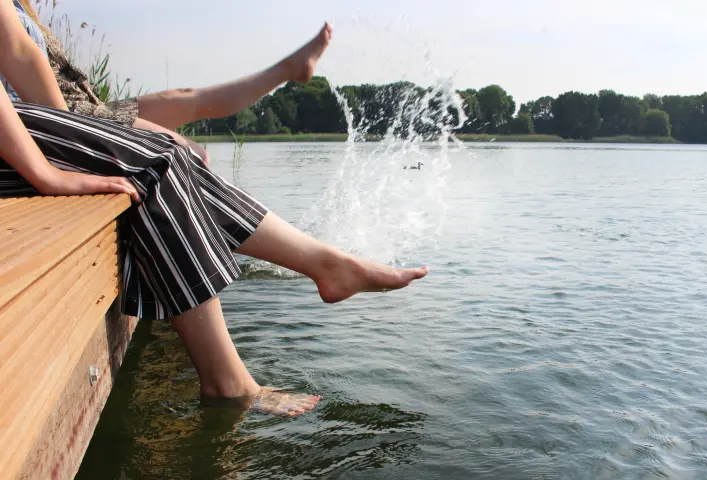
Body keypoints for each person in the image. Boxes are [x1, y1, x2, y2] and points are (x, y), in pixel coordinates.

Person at [0, 0, 428, 416]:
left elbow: (19, 52)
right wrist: (49, 170)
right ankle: (230, 383)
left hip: (38, 123)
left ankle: (330, 264)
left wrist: (76, 137)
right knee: (161, 160)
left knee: (176, 144)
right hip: (18, 140)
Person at [14, 0, 332, 165]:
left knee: (185, 97)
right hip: (71, 116)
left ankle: (287, 69)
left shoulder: (21, 9)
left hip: (87, 107)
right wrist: (70, 130)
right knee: (190, 152)